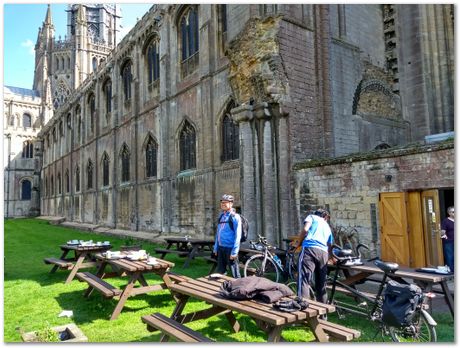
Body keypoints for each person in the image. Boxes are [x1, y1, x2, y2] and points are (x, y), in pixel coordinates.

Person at [292, 208, 333, 304]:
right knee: (321, 284)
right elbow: (330, 244)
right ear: (325, 217)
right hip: (323, 253)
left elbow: (305, 229)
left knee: (303, 279)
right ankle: (323, 313)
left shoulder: (312, 217)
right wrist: (331, 258)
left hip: (310, 250)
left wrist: (298, 243)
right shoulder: (327, 226)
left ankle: (303, 307)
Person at [213, 194, 241, 278]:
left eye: (226, 202)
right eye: (222, 202)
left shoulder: (235, 217)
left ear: (231, 204)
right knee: (220, 273)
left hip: (230, 249)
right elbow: (218, 233)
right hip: (221, 248)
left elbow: (238, 235)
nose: (223, 204)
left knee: (235, 274)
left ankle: (239, 290)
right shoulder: (221, 216)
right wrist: (215, 247)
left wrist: (235, 251)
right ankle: (222, 289)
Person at [441, 206, 454, 273]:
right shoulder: (445, 221)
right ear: (449, 213)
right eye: (453, 212)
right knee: (450, 256)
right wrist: (443, 234)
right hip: (449, 241)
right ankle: (452, 271)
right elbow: (443, 231)